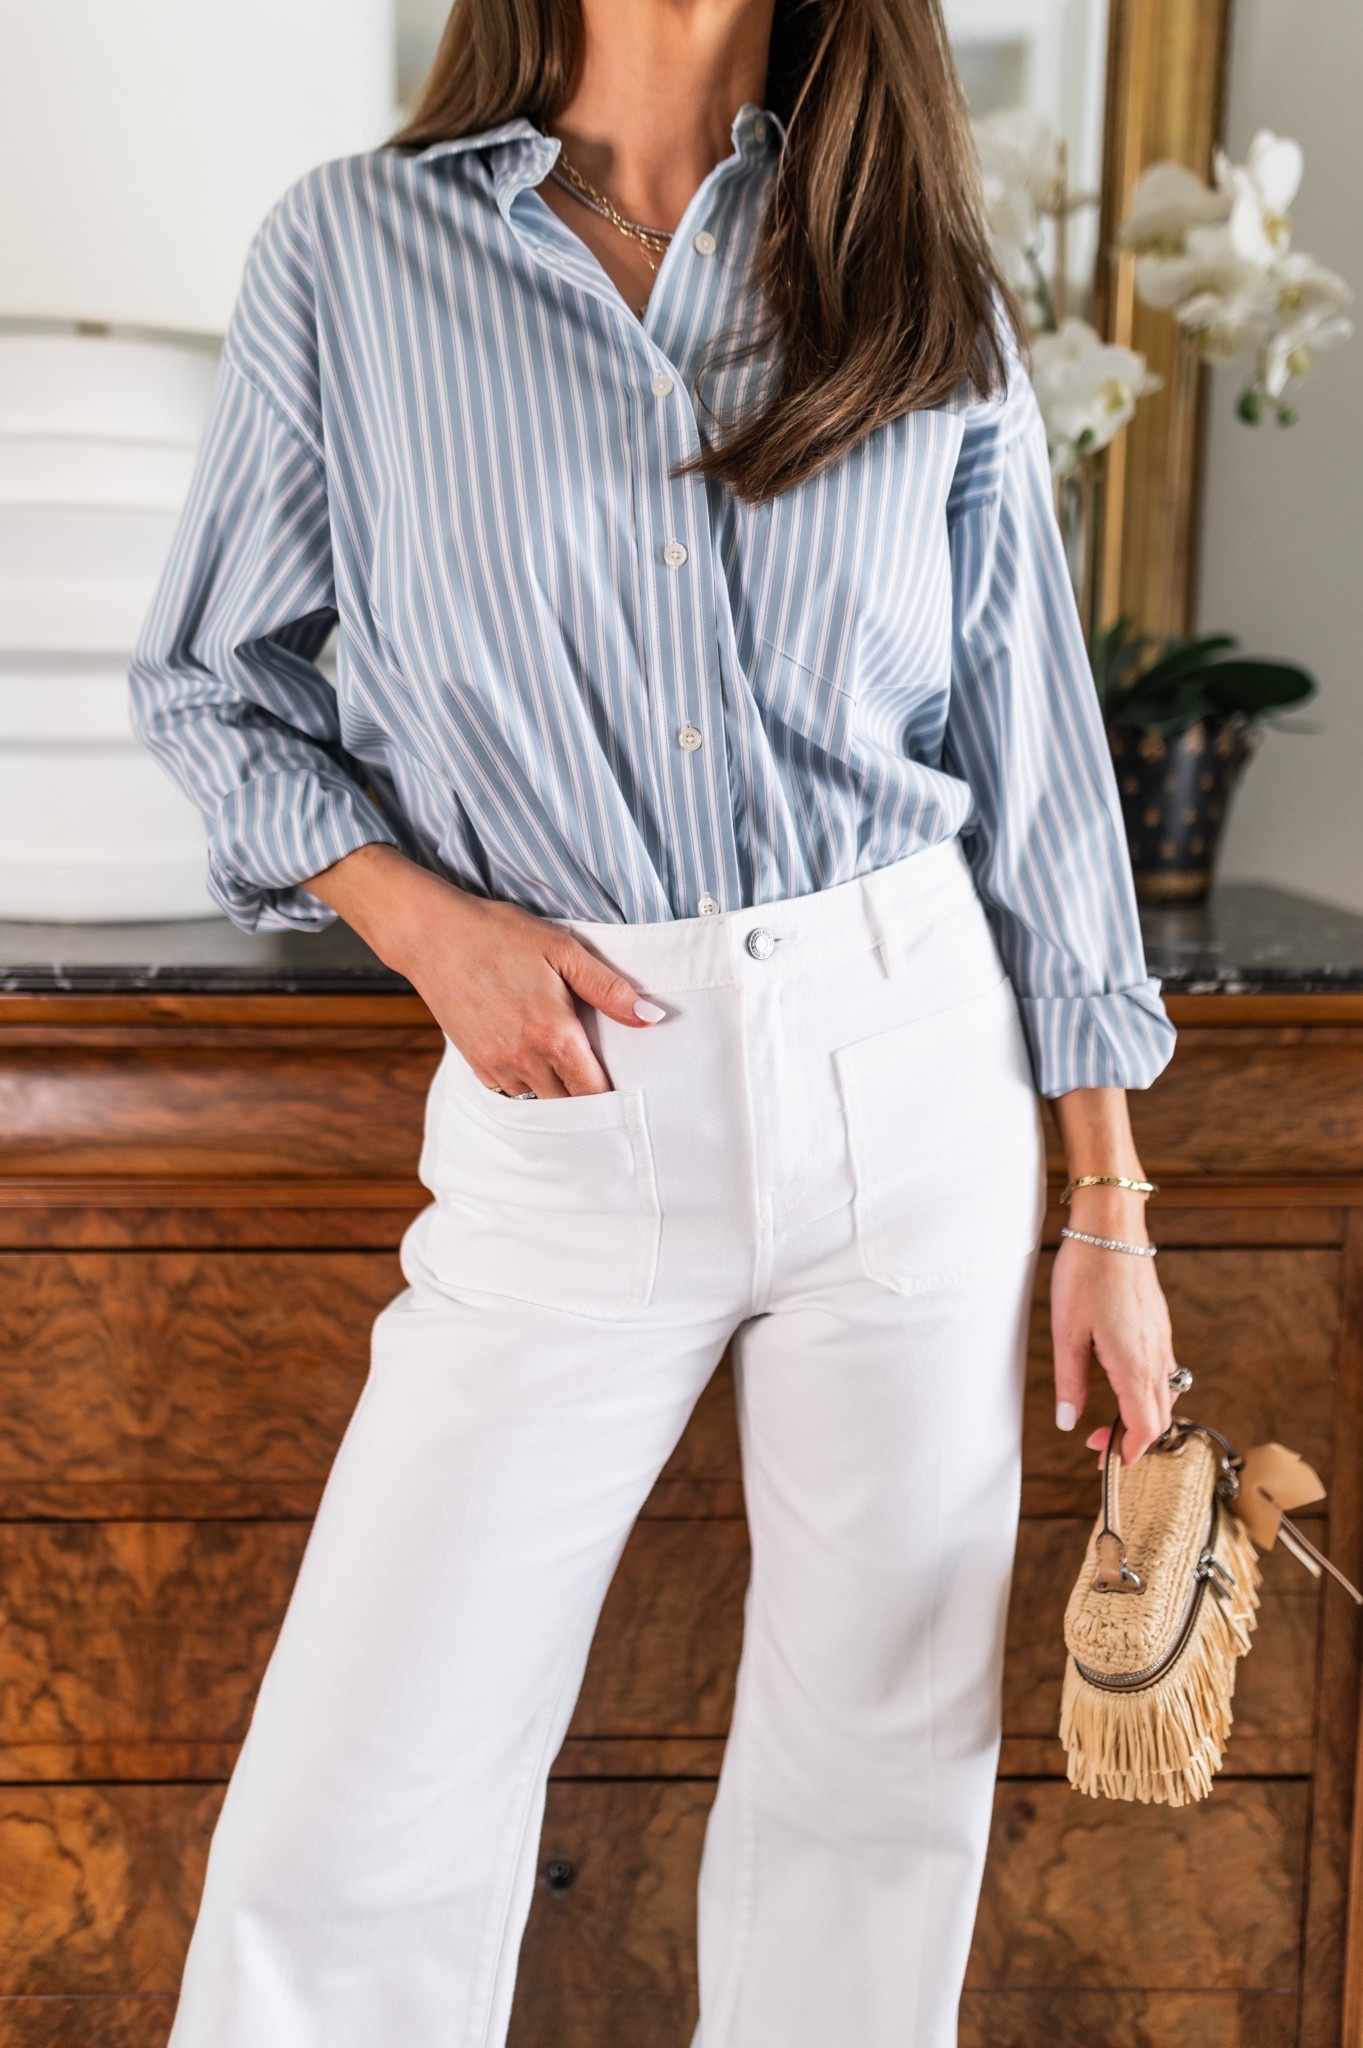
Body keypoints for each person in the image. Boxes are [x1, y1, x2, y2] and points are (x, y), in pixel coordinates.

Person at [129, 0, 1181, 2040]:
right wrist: (430, 927)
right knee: (363, 1797)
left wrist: (1110, 1206)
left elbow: (1038, 762)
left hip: (911, 1067)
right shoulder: (351, 251)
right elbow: (210, 680)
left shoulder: (908, 260)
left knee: (880, 1774)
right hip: (569, 1078)